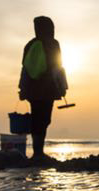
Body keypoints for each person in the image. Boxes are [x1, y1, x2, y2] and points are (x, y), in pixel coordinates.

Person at [18, 16, 67, 159]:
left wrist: (22, 88)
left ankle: (37, 152)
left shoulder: (29, 44)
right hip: (48, 88)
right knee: (43, 119)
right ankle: (38, 153)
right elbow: (58, 68)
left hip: (32, 89)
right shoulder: (53, 44)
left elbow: (25, 68)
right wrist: (63, 86)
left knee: (37, 119)